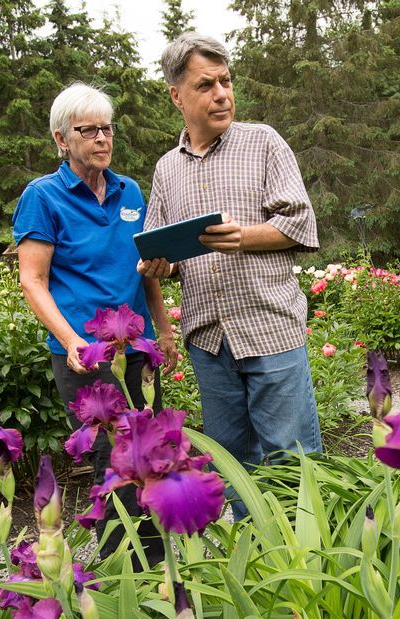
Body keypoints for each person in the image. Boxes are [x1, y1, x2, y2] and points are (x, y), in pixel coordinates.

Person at [138, 33, 322, 519]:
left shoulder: (263, 142)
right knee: (230, 464)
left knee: (290, 460)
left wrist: (245, 235)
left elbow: (300, 223)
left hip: (269, 327)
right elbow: (161, 242)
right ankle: (257, 561)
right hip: (209, 340)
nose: (222, 93)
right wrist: (161, 263)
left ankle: (305, 563)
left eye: (226, 81)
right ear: (177, 95)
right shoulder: (166, 169)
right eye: (206, 85)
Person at [14, 82, 177, 566]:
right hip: (85, 357)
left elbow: (145, 270)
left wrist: (163, 330)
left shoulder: (130, 192)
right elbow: (33, 281)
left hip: (136, 347)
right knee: (115, 462)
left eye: (107, 129)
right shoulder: (43, 196)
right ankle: (122, 582)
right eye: (90, 131)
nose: (103, 139)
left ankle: (160, 572)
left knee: (151, 452)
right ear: (62, 140)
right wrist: (70, 341)